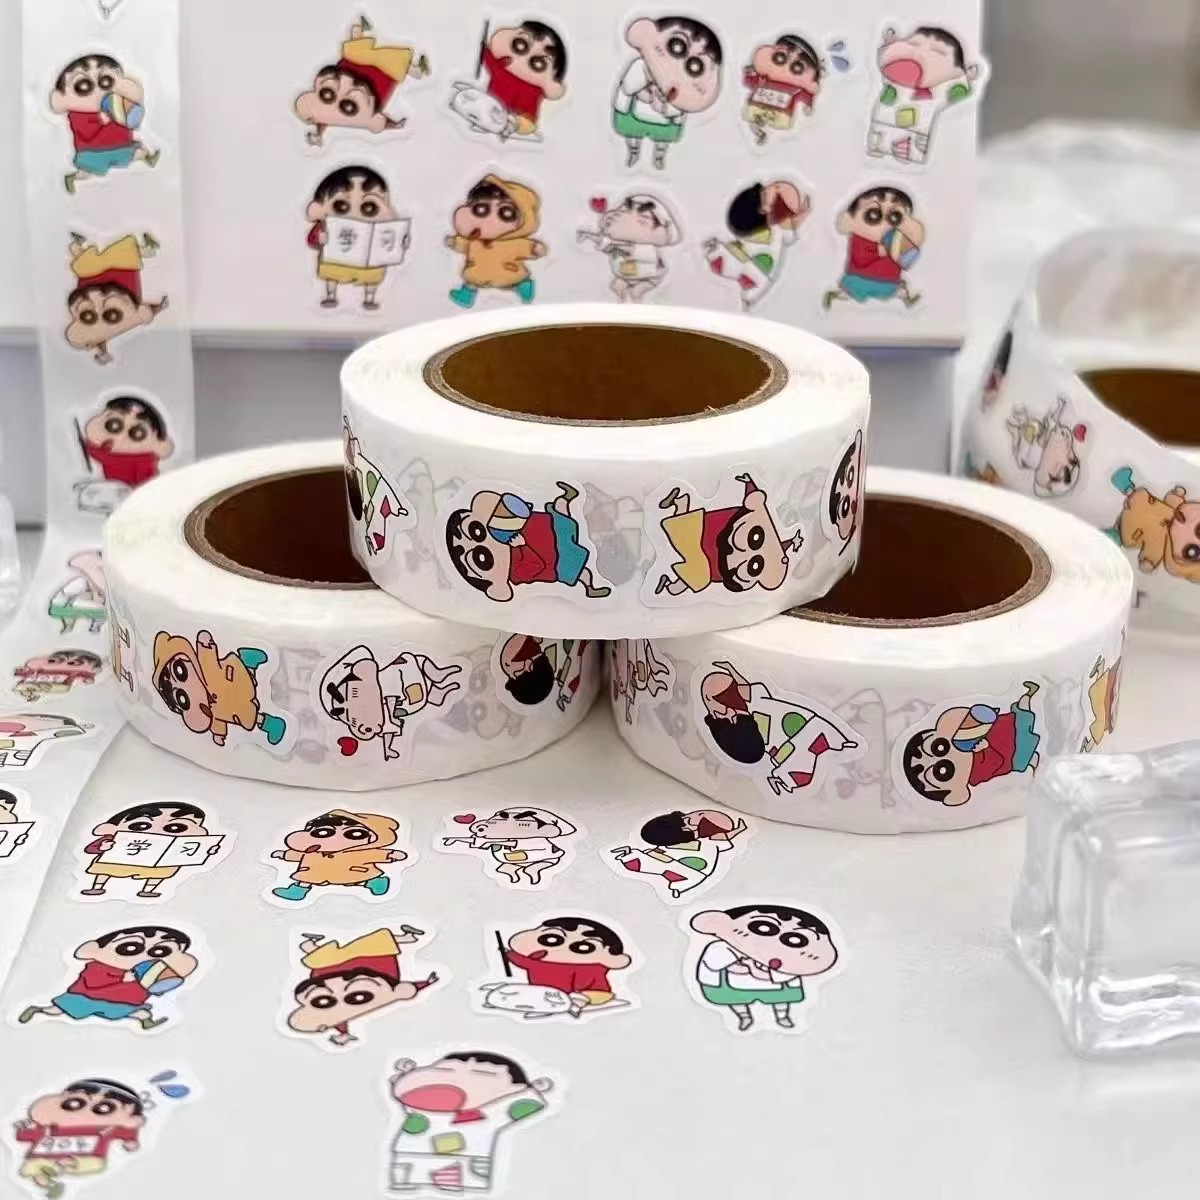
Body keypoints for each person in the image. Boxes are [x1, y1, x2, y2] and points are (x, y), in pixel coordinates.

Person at [389, 1052, 552, 1193]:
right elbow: (407, 1089)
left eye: (482, 1075)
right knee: (406, 1179)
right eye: (445, 1070)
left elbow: (523, 1105)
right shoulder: (420, 1109)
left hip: (466, 1163)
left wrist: (531, 1092)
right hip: (408, 1158)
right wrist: (407, 1076)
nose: (454, 1080)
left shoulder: (491, 1115)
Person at [700, 661, 859, 794]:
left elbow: (746, 689)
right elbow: (750, 748)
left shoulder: (752, 702)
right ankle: (784, 777)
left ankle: (785, 778)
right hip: (783, 743)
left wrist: (732, 671)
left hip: (788, 734)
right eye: (727, 693)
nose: (735, 692)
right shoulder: (737, 722)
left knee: (813, 735)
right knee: (814, 732)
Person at [446, 484, 610, 602]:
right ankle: (590, 588)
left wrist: (515, 510)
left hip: (549, 527)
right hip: (558, 560)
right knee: (579, 571)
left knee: (561, 514)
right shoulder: (514, 573)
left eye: (476, 530)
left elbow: (521, 513)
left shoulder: (499, 527)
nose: (488, 542)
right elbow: (537, 566)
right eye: (482, 558)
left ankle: (566, 498)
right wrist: (522, 546)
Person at [690, 903, 838, 1031]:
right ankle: (744, 1017)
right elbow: (712, 965)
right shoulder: (722, 948)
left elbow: (785, 975)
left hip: (773, 988)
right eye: (763, 928)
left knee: (780, 1002)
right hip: (734, 985)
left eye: (796, 940)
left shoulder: (792, 963)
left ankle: (782, 1017)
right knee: (738, 1002)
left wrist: (754, 968)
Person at [18, 926, 197, 1031]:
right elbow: (92, 982)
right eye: (130, 948)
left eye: (161, 951)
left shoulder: (147, 971)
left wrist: (158, 984)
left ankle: (147, 1022)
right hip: (86, 998)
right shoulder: (98, 967)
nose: (146, 956)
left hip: (121, 1003)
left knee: (139, 1013)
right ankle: (37, 1010)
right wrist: (123, 978)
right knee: (58, 1010)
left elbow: (151, 986)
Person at [656, 474, 802, 598]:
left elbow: (772, 549)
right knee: (687, 535)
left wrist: (791, 542)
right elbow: (773, 548)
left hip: (712, 560)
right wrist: (749, 483)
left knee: (692, 565)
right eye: (755, 538)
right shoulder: (747, 521)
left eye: (754, 567)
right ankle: (680, 502)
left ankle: (681, 502)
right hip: (711, 536)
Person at [287, 928, 436, 1046]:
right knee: (372, 947)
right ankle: (407, 937)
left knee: (339, 955)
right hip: (373, 971)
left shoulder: (323, 1005)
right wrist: (425, 983)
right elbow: (397, 992)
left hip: (333, 971)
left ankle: (309, 945)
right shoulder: (338, 1016)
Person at [294, 15, 429, 146]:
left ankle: (360, 28)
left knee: (358, 52)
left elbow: (323, 117)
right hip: (374, 83)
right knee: (388, 64)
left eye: (327, 94)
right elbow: (376, 122)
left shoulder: (323, 110)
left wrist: (318, 132)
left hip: (354, 68)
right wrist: (395, 125)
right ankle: (416, 69)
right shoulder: (331, 115)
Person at [902, 682, 1042, 807]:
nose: (950, 754)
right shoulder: (975, 774)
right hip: (1014, 752)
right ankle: (1035, 763)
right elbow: (997, 763)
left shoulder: (965, 736)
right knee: (1027, 743)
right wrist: (985, 749)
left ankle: (1028, 695)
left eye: (939, 747)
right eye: (943, 770)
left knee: (1022, 715)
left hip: (1003, 729)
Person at [611, 16, 723, 170]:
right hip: (636, 114)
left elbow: (676, 112)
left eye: (696, 66)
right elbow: (628, 88)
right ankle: (634, 151)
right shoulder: (640, 67)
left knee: (661, 142)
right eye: (676, 46)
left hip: (662, 123)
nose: (678, 68)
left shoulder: (682, 96)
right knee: (633, 136)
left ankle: (659, 156)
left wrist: (665, 105)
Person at [152, 628, 287, 749]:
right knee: (248, 715)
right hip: (233, 711)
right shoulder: (205, 710)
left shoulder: (205, 668)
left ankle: (248, 662)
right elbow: (216, 719)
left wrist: (205, 644)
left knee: (246, 682)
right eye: (182, 699)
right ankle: (272, 724)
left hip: (231, 678)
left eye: (180, 671)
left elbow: (207, 656)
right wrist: (219, 733)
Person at [319, 645, 461, 759]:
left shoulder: (380, 680)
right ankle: (436, 693)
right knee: (418, 679)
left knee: (414, 662)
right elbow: (388, 731)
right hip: (411, 698)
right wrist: (388, 749)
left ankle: (435, 678)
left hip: (407, 680)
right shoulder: (383, 715)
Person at [12, 1078, 145, 1198]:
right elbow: (24, 1136)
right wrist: (25, 1128)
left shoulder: (105, 1130)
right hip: (44, 1155)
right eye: (74, 1103)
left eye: (104, 1108)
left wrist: (130, 1141)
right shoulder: (49, 1128)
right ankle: (45, 1179)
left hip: (86, 1156)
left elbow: (126, 1132)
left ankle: (66, 1165)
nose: (86, 1111)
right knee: (32, 1166)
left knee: (93, 1164)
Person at [867, 25, 980, 166]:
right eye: (913, 43)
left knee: (909, 154)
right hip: (880, 129)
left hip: (914, 137)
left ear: (957, 70)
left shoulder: (937, 93)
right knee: (878, 142)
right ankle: (876, 148)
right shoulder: (891, 80)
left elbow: (958, 91)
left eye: (937, 51)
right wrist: (888, 44)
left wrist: (965, 79)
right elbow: (883, 59)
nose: (917, 52)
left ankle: (903, 156)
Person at [50, 53, 159, 193]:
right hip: (93, 152)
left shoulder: (117, 104)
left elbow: (131, 115)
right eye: (83, 86)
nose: (99, 90)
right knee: (87, 171)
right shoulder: (78, 116)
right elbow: (84, 132)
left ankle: (148, 158)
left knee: (135, 153)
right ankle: (73, 178)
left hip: (121, 146)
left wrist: (128, 113)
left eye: (106, 81)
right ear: (61, 98)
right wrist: (104, 119)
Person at [306, 166, 407, 311]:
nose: (355, 215)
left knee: (373, 275)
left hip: (368, 264)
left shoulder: (385, 229)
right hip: (336, 262)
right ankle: (331, 295)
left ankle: (369, 299)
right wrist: (320, 239)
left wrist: (400, 242)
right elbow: (312, 240)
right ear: (316, 209)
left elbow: (395, 243)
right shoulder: (323, 227)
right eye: (341, 206)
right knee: (332, 273)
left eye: (369, 207)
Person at [703, 180, 810, 310]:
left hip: (755, 273)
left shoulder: (776, 232)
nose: (775, 186)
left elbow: (788, 230)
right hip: (751, 268)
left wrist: (798, 216)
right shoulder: (774, 231)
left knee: (738, 264)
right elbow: (788, 231)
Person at [80, 801, 217, 899]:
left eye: (176, 827)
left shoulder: (183, 843)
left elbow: (193, 854)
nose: (157, 832)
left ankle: (148, 890)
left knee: (161, 872)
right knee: (104, 869)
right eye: (141, 825)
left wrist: (208, 850)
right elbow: (91, 849)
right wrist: (103, 847)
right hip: (119, 861)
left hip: (158, 863)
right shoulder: (113, 838)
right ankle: (97, 887)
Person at [65, 233, 167, 365]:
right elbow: (144, 313)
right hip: (120, 286)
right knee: (120, 259)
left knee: (88, 265)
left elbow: (144, 313)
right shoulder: (109, 328)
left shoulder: (97, 327)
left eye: (87, 316)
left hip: (93, 283)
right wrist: (160, 307)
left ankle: (79, 245)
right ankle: (147, 249)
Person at [446, 176, 546, 308]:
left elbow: (527, 248)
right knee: (472, 280)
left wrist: (535, 249)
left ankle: (523, 285)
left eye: (506, 213)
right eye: (480, 209)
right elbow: (463, 245)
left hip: (508, 272)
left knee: (514, 280)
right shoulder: (473, 240)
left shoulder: (512, 243)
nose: (489, 220)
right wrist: (453, 242)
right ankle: (466, 295)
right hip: (477, 271)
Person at [269, 809, 407, 902]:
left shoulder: (359, 852)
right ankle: (296, 892)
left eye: (355, 834)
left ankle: (374, 882)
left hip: (353, 871)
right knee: (306, 879)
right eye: (323, 832)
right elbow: (298, 855)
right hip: (315, 872)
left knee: (355, 879)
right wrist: (284, 854)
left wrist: (391, 855)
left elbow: (376, 854)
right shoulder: (313, 852)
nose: (335, 839)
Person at [497, 917, 631, 1011]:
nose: (563, 949)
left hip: (586, 995)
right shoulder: (538, 962)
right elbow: (522, 961)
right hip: (544, 995)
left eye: (584, 947)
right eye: (551, 939)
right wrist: (508, 953)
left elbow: (593, 985)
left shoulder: (592, 968)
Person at [824, 187, 924, 309]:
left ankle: (907, 299)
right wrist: (878, 251)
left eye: (895, 216)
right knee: (849, 293)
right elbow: (859, 258)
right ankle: (835, 296)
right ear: (850, 220)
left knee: (899, 291)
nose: (886, 224)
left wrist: (905, 247)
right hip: (861, 279)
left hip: (889, 282)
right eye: (873, 215)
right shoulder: (860, 240)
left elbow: (907, 254)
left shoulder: (895, 240)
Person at [612, 809, 746, 898]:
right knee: (659, 864)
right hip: (674, 863)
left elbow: (722, 836)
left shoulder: (708, 843)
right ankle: (631, 858)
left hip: (693, 869)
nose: (690, 817)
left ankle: (676, 885)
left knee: (683, 873)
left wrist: (737, 831)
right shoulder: (674, 845)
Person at [577, 193, 680, 303]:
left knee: (636, 292)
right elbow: (609, 247)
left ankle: (637, 302)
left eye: (642, 221)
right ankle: (623, 302)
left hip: (648, 278)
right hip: (626, 275)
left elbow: (626, 250)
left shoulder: (645, 247)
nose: (613, 216)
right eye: (623, 210)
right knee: (616, 286)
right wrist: (592, 237)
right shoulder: (620, 242)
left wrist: (607, 243)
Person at [442, 807, 576, 886]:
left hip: (541, 856)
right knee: (506, 866)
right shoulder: (494, 837)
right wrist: (455, 839)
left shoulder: (536, 838)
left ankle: (533, 869)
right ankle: (514, 871)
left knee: (540, 863)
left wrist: (491, 842)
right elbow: (475, 841)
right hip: (512, 858)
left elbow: (515, 843)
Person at [77, 395, 174, 489]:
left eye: (138, 433)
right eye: (113, 425)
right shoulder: (85, 449)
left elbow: (148, 490)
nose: (120, 437)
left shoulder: (143, 464)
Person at [741, 33, 823, 143]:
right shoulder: (763, 80)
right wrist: (749, 74)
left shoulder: (795, 89)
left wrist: (809, 103)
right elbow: (749, 81)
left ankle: (761, 132)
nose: (785, 68)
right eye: (779, 57)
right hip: (757, 108)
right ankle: (759, 133)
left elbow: (805, 96)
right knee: (753, 121)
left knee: (757, 121)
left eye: (797, 67)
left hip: (780, 115)